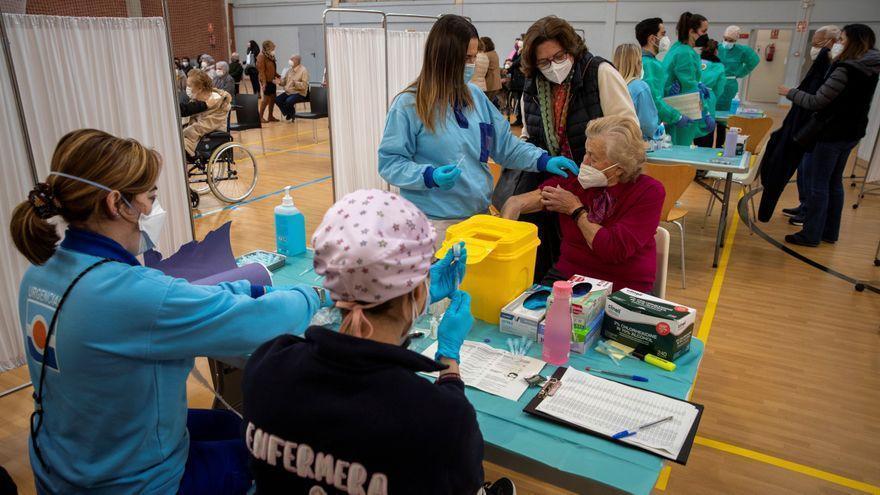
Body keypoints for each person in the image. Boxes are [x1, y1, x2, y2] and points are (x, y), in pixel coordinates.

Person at [10, 129, 326, 494]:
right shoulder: (131, 294)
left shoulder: (41, 273)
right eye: (150, 196)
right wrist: (315, 294)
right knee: (278, 456)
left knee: (229, 426)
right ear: (117, 204)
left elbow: (174, 302)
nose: (152, 208)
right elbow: (256, 323)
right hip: (133, 483)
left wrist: (247, 287)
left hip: (65, 465)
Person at [242, 189, 517, 495]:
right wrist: (449, 359)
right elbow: (465, 481)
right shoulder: (439, 418)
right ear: (416, 292)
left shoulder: (268, 364)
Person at [378, 15, 578, 245]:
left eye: (474, 56)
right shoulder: (409, 105)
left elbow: (505, 147)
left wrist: (542, 160)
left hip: (477, 218)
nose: (471, 64)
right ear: (443, 57)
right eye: (465, 58)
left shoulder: (475, 97)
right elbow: (390, 163)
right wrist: (428, 176)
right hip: (432, 225)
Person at [493, 15, 638, 282]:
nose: (553, 66)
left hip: (599, 184)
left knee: (590, 260)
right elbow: (529, 133)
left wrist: (600, 170)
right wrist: (540, 159)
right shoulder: (533, 84)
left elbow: (628, 133)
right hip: (554, 184)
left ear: (571, 49)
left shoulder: (599, 73)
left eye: (559, 56)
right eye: (544, 62)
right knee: (548, 260)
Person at [501, 116, 664, 292]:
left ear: (619, 167)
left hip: (623, 288)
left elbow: (612, 249)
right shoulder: (576, 181)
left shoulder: (649, 192)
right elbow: (515, 202)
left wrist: (575, 210)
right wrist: (505, 239)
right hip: (569, 276)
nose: (584, 161)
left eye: (593, 158)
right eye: (586, 152)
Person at [777, 24, 879, 247]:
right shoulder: (870, 68)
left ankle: (811, 234)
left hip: (831, 133)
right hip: (852, 132)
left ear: (852, 41)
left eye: (841, 39)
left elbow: (818, 101)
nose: (838, 44)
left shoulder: (846, 69)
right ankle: (829, 231)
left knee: (818, 185)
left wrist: (790, 93)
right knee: (834, 183)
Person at [759, 25, 841, 222]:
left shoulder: (836, 69)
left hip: (820, 132)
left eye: (817, 44)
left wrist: (791, 93)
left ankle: (811, 222)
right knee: (805, 173)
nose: (814, 49)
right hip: (808, 130)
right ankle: (805, 207)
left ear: (831, 43)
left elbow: (816, 101)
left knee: (817, 180)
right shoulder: (824, 67)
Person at [662, 12, 713, 145]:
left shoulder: (678, 48)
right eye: (704, 31)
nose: (706, 35)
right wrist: (706, 112)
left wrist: (698, 83)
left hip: (674, 107)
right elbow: (690, 87)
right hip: (683, 109)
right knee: (679, 152)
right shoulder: (685, 53)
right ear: (692, 31)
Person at [637, 18, 686, 134]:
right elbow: (654, 100)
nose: (666, 39)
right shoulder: (650, 65)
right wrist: (677, 117)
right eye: (663, 34)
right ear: (652, 39)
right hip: (647, 128)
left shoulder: (645, 61)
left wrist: (668, 91)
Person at [613, 43, 659, 140]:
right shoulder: (640, 87)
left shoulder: (612, 86)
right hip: (634, 144)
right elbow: (648, 125)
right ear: (637, 63)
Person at [182, 69, 232, 158]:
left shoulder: (219, 102)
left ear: (200, 88)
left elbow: (205, 125)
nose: (187, 88)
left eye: (189, 85)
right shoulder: (197, 99)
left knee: (178, 147)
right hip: (196, 135)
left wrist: (183, 133)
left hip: (210, 137)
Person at [717, 25, 760, 112]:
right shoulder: (715, 48)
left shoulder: (742, 51)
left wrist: (741, 73)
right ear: (723, 37)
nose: (727, 42)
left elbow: (754, 61)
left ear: (736, 40)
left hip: (729, 86)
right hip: (715, 83)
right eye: (725, 39)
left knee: (728, 110)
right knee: (712, 108)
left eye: (731, 40)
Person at [693, 40, 725, 147]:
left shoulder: (695, 61)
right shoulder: (718, 66)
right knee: (706, 128)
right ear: (716, 51)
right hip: (709, 97)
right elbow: (720, 88)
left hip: (692, 95)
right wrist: (712, 96)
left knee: (692, 127)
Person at [276, 55, 310, 121]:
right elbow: (284, 82)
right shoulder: (289, 70)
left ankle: (292, 114)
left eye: (292, 59)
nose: (290, 60)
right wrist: (279, 82)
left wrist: (296, 83)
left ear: (297, 61)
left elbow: (304, 86)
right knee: (277, 99)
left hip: (299, 93)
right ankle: (289, 113)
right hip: (289, 92)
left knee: (288, 101)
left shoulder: (303, 71)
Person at [256, 40, 280, 123]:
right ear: (267, 47)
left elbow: (272, 69)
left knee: (273, 98)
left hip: (272, 80)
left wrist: (278, 75)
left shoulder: (270, 56)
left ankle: (270, 116)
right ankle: (260, 117)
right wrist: (264, 83)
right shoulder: (261, 56)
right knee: (266, 99)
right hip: (266, 81)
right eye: (273, 46)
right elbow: (261, 71)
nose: (274, 47)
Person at [482, 36, 503, 103]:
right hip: (496, 83)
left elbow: (483, 69)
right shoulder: (494, 53)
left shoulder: (486, 55)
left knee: (486, 103)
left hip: (490, 83)